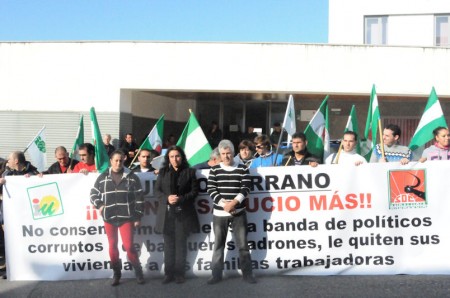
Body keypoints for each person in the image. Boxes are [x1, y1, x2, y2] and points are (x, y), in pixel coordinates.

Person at [90, 150, 145, 286]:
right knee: (112, 246)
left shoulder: (132, 177)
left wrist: (138, 216)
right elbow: (93, 193)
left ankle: (138, 271)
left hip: (126, 217)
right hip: (109, 217)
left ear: (124, 160)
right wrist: (100, 205)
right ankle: (117, 273)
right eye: (116, 160)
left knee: (129, 246)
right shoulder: (103, 177)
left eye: (121, 160)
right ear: (111, 161)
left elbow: (139, 198)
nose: (118, 163)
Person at [207, 139, 256, 285]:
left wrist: (234, 203)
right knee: (218, 246)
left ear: (233, 153)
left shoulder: (243, 168)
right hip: (220, 214)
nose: (226, 156)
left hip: (239, 213)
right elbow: (211, 189)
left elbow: (246, 188)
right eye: (223, 154)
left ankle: (247, 274)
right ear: (219, 154)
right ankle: (216, 275)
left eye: (229, 153)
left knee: (243, 246)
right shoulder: (214, 169)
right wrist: (225, 205)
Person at [154, 146, 199, 284]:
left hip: (183, 214)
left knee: (180, 245)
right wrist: (167, 198)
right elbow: (157, 192)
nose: (175, 159)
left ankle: (180, 274)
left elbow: (194, 192)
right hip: (166, 215)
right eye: (172, 156)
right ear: (168, 158)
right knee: (168, 245)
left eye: (177, 156)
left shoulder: (190, 172)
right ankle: (168, 274)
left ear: (182, 157)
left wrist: (181, 199)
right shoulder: (162, 172)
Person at [0, 151, 40, 279]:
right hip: (10, 217)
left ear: (16, 161)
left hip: (28, 215)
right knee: (11, 242)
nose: (7, 162)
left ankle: (34, 267)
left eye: (9, 159)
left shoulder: (33, 172)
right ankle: (13, 269)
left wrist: (37, 178)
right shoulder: (6, 174)